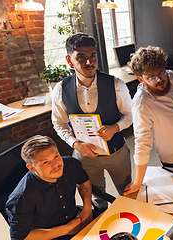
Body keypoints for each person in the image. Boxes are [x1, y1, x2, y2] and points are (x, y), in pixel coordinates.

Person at [52, 33, 133, 209]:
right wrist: (75, 144)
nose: (89, 62)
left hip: (117, 152)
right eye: (81, 57)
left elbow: (130, 115)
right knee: (96, 198)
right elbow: (59, 124)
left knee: (128, 194)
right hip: (84, 156)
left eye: (93, 56)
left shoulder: (116, 84)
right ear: (69, 60)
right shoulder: (60, 89)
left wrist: (115, 128)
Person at [124, 46, 173, 195]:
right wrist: (138, 181)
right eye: (152, 77)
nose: (161, 79)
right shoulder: (141, 103)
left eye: (161, 72)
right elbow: (142, 143)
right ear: (140, 79)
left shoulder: (172, 76)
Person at [5, 136, 92, 240]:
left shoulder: (71, 164)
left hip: (76, 218)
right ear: (31, 167)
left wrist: (87, 208)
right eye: (45, 162)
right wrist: (66, 229)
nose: (56, 165)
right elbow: (19, 237)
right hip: (49, 235)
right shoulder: (22, 197)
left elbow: (83, 181)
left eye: (56, 156)